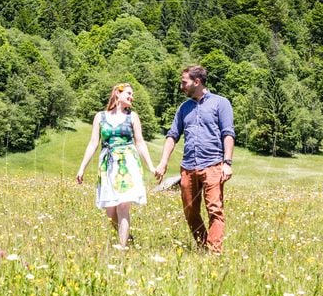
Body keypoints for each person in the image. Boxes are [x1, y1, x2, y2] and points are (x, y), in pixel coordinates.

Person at [154, 65, 235, 254]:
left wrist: (227, 163)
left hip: (213, 165)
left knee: (215, 209)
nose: (181, 86)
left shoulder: (220, 103)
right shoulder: (184, 108)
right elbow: (172, 135)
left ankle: (214, 253)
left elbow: (228, 133)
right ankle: (203, 246)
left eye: (184, 82)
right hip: (188, 167)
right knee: (190, 211)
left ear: (196, 82)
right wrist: (163, 162)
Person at [77, 82, 156, 249]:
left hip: (128, 163)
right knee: (110, 211)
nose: (131, 97)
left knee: (123, 205)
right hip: (108, 164)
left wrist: (151, 166)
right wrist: (82, 167)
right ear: (117, 94)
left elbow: (140, 142)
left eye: (132, 94)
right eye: (128, 93)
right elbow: (93, 143)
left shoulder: (132, 116)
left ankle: (122, 247)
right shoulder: (100, 116)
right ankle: (127, 238)